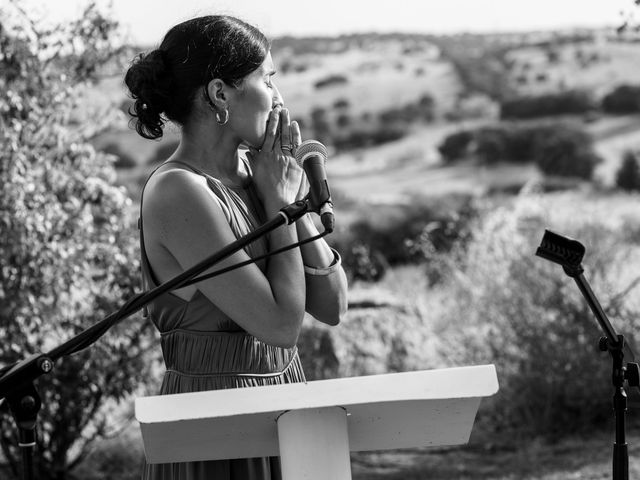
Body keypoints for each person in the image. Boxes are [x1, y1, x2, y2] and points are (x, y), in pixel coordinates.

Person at [124, 14, 348, 480]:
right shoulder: (179, 191)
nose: (279, 97)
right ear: (220, 94)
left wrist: (286, 203)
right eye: (268, 79)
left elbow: (332, 306)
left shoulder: (263, 175)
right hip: (213, 426)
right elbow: (281, 325)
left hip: (286, 409)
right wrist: (278, 204)